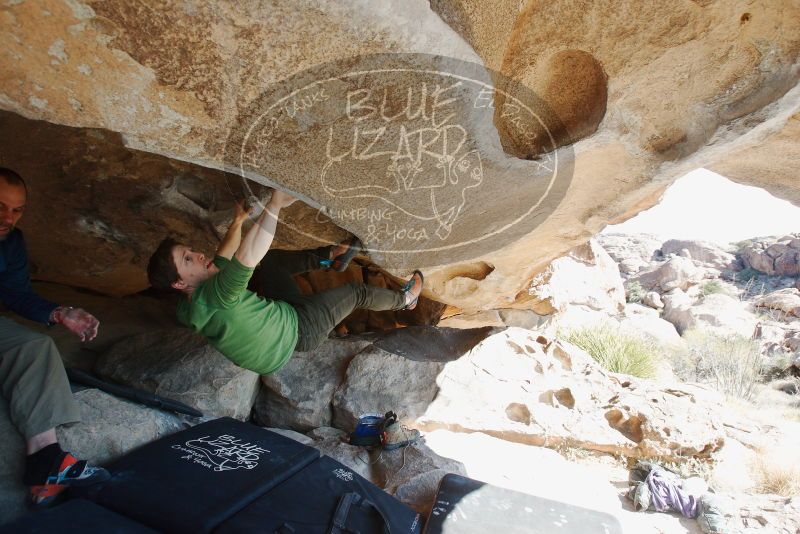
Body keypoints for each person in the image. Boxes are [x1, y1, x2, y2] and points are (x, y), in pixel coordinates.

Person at [147, 190, 424, 375]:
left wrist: (238, 220)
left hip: (279, 317)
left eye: (189, 251)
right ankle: (406, 300)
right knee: (356, 293)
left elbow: (224, 255)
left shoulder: (188, 305)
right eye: (187, 260)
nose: (197, 255)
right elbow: (248, 254)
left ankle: (330, 258)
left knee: (269, 266)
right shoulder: (218, 295)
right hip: (300, 331)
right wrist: (275, 204)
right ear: (179, 284)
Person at [0, 167, 110, 507]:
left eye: (17, 210)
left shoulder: (11, 242)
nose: (9, 217)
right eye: (1, 206)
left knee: (35, 345)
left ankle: (46, 462)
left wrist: (59, 313)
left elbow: (15, 293)